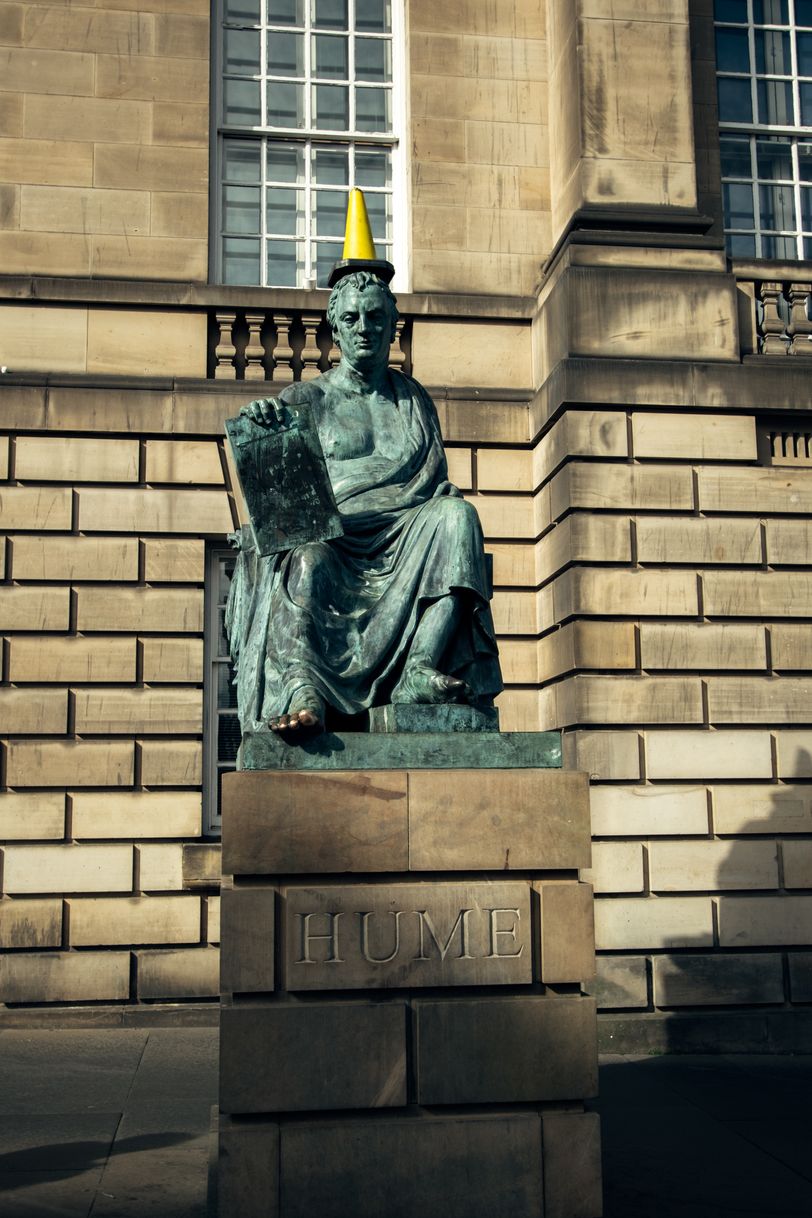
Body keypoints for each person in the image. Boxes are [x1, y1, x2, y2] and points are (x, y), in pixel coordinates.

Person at [225, 270, 502, 734]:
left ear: (392, 325)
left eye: (375, 317)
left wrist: (443, 497)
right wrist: (265, 423)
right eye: (351, 318)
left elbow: (433, 478)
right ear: (335, 329)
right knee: (308, 558)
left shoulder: (412, 398)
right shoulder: (305, 397)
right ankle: (304, 690)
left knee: (458, 518)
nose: (363, 328)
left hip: (403, 531)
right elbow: (280, 498)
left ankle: (419, 666)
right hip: (335, 538)